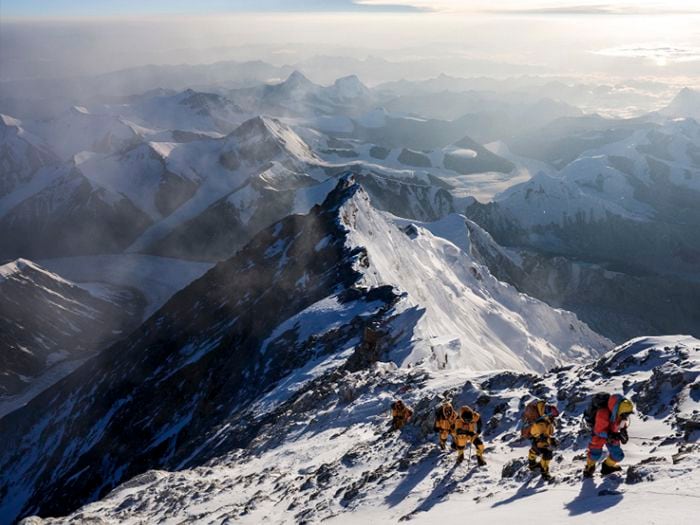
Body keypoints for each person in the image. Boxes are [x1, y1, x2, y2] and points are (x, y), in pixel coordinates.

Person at [583, 394, 634, 478]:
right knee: (595, 454)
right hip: (599, 436)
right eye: (626, 414)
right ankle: (589, 467)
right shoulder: (603, 413)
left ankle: (607, 467)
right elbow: (598, 431)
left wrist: (623, 433)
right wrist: (612, 435)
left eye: (627, 414)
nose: (626, 416)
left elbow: (622, 425)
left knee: (617, 455)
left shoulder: (621, 415)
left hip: (612, 435)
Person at [523, 400, 559, 481]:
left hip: (535, 440)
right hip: (539, 441)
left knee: (535, 450)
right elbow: (543, 437)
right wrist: (552, 441)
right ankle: (544, 473)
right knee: (547, 454)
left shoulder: (540, 418)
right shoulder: (540, 424)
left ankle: (532, 464)